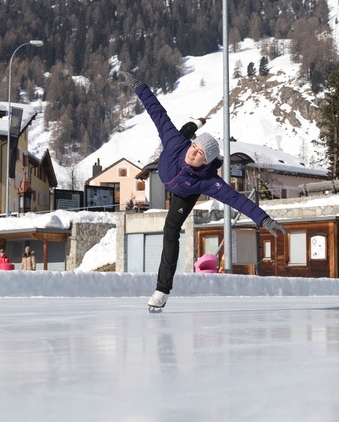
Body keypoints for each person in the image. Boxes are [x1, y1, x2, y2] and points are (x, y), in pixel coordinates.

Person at [118, 70, 287, 310]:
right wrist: (138, 85)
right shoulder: (179, 144)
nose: (193, 153)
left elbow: (237, 199)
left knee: (170, 231)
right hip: (168, 163)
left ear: (206, 162)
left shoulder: (209, 181)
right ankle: (196, 124)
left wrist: (264, 219)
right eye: (195, 147)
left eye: (199, 154)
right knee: (181, 131)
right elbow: (157, 111)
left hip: (184, 192)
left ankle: (162, 290)